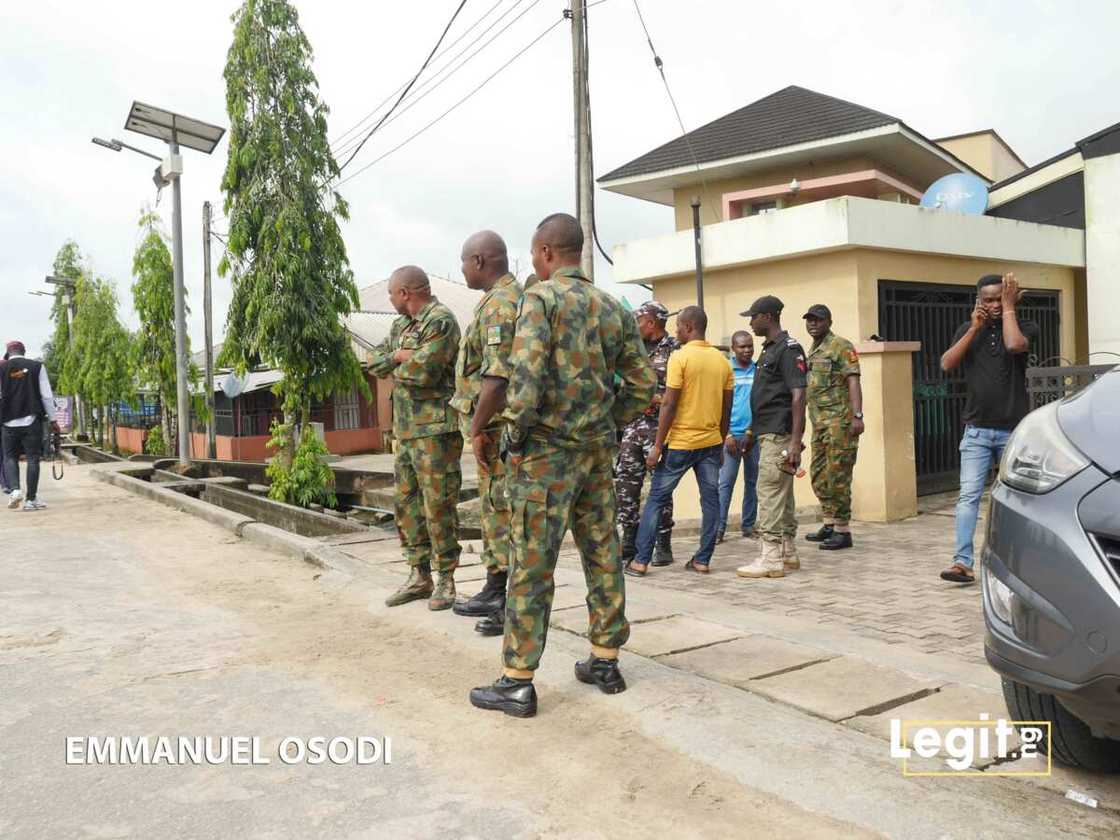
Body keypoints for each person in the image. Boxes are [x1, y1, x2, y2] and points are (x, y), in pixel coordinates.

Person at [469, 213, 654, 718]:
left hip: (546, 455)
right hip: (596, 453)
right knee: (602, 553)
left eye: (534, 254)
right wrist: (603, 419)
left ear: (547, 253)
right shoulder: (613, 305)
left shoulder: (541, 299)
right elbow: (642, 385)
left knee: (532, 562)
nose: (533, 262)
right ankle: (605, 659)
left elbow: (522, 378)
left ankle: (517, 680)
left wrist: (514, 434)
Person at [369, 266, 464, 610]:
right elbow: (374, 362)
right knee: (407, 505)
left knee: (438, 505)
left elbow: (425, 372)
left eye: (392, 294)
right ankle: (418, 575)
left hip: (436, 431)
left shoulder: (441, 320)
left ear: (405, 293)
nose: (391, 300)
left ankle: (447, 580)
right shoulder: (399, 326)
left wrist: (403, 363)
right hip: (407, 432)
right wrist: (398, 355)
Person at [939, 273, 1038, 584]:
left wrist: (1009, 308)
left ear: (1010, 297)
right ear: (978, 301)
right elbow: (946, 363)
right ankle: (961, 563)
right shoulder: (968, 329)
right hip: (977, 432)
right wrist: (975, 328)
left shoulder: (1026, 327)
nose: (994, 305)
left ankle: (1017, 564)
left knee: (1015, 499)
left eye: (1000, 298)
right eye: (989, 300)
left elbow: (1014, 345)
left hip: (1013, 432)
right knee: (968, 496)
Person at [449, 231, 523, 636]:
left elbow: (497, 378)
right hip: (490, 431)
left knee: (508, 518)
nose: (461, 269)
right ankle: (496, 589)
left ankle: (509, 602)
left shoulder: (500, 307)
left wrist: (476, 429)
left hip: (497, 431)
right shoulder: (494, 300)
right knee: (494, 515)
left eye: (462, 261)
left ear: (479, 260)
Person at [625, 306, 732, 576]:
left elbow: (669, 404)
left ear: (688, 327)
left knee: (656, 499)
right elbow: (726, 409)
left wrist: (658, 446)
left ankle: (640, 561)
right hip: (710, 443)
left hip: (681, 443)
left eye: (678, 327)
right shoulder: (722, 361)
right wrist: (719, 442)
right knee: (710, 500)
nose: (675, 331)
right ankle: (702, 559)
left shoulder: (680, 358)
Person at [736, 296, 807, 580]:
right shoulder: (769, 350)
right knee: (782, 494)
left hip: (779, 435)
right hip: (769, 432)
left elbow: (799, 395)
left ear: (767, 317)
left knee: (768, 494)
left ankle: (770, 557)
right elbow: (765, 397)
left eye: (753, 317)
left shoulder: (788, 350)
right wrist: (752, 433)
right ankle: (787, 552)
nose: (750, 323)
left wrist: (794, 441)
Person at [614, 300, 679, 567]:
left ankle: (663, 544)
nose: (635, 326)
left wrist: (657, 398)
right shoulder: (633, 351)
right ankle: (629, 541)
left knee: (661, 489)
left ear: (651, 322)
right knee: (625, 485)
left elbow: (680, 392)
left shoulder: (676, 350)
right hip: (632, 427)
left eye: (638, 321)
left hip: (659, 429)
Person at [802, 305, 864, 551]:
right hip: (819, 423)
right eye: (809, 320)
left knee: (838, 476)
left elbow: (853, 381)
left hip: (840, 422)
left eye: (817, 320)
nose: (812, 324)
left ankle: (842, 530)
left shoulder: (841, 346)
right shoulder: (814, 349)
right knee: (818, 474)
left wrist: (857, 415)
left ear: (828, 321)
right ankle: (828, 523)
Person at [1, 341, 60, 511]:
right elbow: (47, 396)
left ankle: (15, 490)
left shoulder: (2, 368)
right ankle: (30, 500)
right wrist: (53, 420)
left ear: (8, 353)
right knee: (33, 459)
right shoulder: (37, 367)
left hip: (7, 422)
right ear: (24, 351)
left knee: (9, 457)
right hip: (31, 421)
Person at [717, 331, 759, 544]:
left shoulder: (758, 370)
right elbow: (718, 405)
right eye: (742, 347)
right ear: (733, 348)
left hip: (754, 436)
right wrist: (728, 434)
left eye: (750, 346)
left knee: (753, 483)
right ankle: (719, 528)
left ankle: (749, 525)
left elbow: (760, 404)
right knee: (725, 483)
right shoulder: (726, 371)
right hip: (731, 437)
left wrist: (751, 432)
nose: (747, 350)